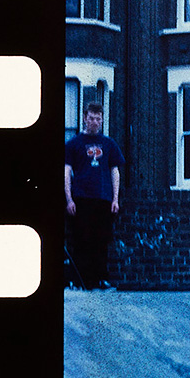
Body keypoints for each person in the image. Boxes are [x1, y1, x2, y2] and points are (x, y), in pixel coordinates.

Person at [64, 101, 124, 290]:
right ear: (84, 118)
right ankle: (81, 281)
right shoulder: (73, 144)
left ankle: (101, 279)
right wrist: (69, 199)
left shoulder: (109, 144)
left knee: (101, 240)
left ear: (102, 120)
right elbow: (66, 171)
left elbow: (115, 171)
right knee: (81, 239)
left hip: (103, 198)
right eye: (91, 118)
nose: (95, 122)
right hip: (81, 198)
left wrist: (115, 199)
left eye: (98, 119)